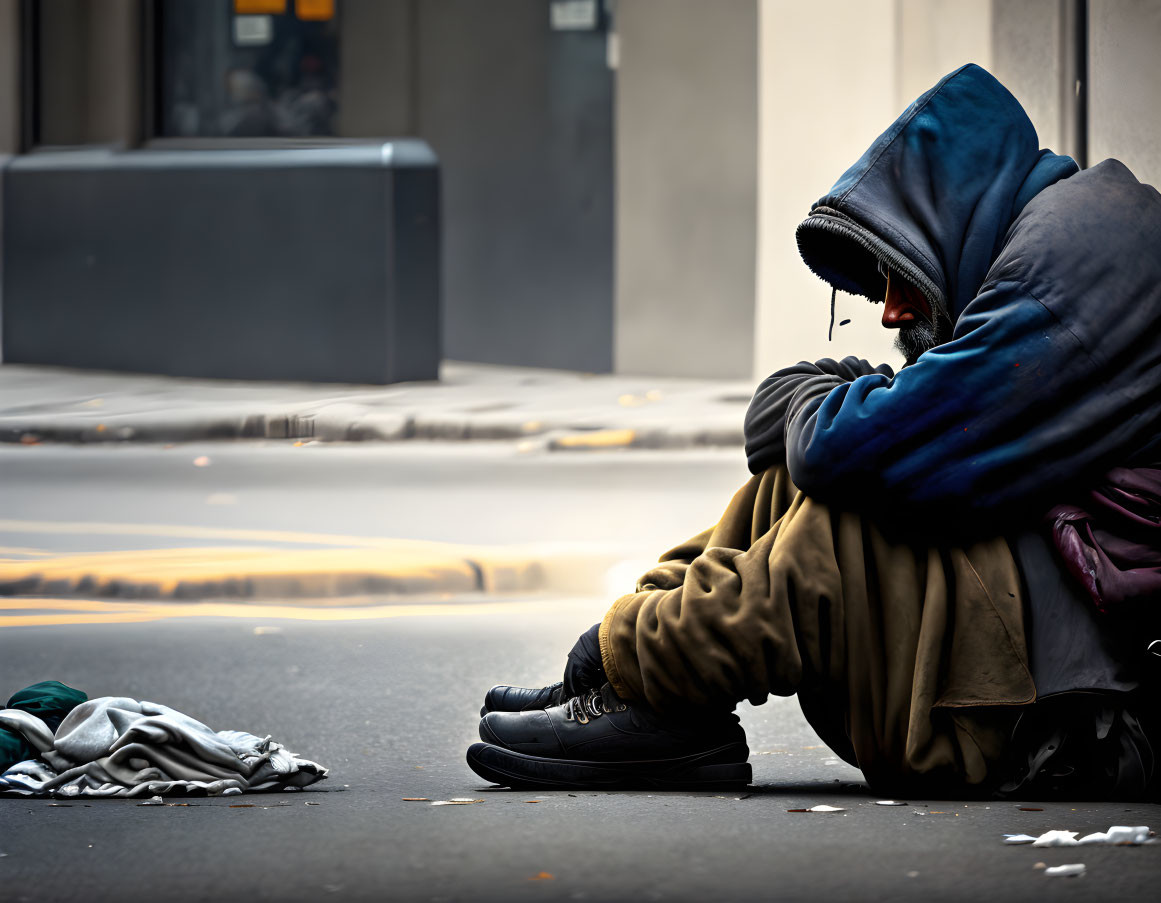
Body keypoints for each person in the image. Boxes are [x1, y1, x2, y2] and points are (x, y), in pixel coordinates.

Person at [466, 64, 1161, 799]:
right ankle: (652, 700)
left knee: (849, 511)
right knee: (785, 486)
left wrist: (838, 414)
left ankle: (635, 666)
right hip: (1059, 653)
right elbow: (782, 424)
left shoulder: (1073, 256)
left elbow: (841, 450)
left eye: (898, 273)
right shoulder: (1048, 247)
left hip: (1088, 716)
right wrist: (838, 415)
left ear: (952, 222)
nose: (889, 312)